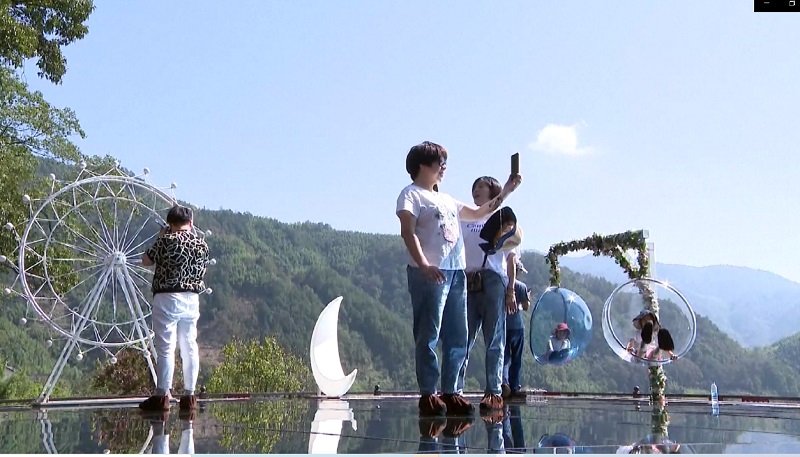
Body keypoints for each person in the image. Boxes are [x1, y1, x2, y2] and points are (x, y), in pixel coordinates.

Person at [396, 141, 522, 416]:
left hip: (456, 272)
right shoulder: (411, 195)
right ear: (422, 165)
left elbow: (479, 212)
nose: (443, 168)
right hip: (429, 271)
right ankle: (429, 393)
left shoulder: (447, 199)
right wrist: (424, 264)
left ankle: (451, 391)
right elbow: (408, 231)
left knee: (458, 334)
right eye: (439, 162)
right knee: (429, 332)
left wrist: (507, 190)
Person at [456, 176, 523, 412]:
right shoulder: (465, 218)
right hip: (467, 279)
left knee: (495, 337)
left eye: (481, 186)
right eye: (474, 187)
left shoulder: (503, 219)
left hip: (493, 280)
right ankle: (455, 391)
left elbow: (511, 258)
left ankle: (493, 392)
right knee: (462, 337)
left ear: (493, 190)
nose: (476, 190)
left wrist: (511, 290)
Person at [139, 205, 209, 412]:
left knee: (166, 347)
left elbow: (146, 260)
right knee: (189, 345)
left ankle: (162, 395)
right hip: (192, 298)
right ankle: (190, 395)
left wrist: (161, 236)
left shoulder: (166, 241)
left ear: (170, 223)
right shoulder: (201, 245)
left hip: (167, 296)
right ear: (191, 222)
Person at [502, 260, 531, 399]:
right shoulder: (521, 286)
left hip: (503, 326)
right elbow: (526, 307)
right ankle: (514, 387)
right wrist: (528, 298)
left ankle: (503, 383)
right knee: (516, 358)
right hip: (517, 326)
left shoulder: (502, 284)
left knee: (504, 357)